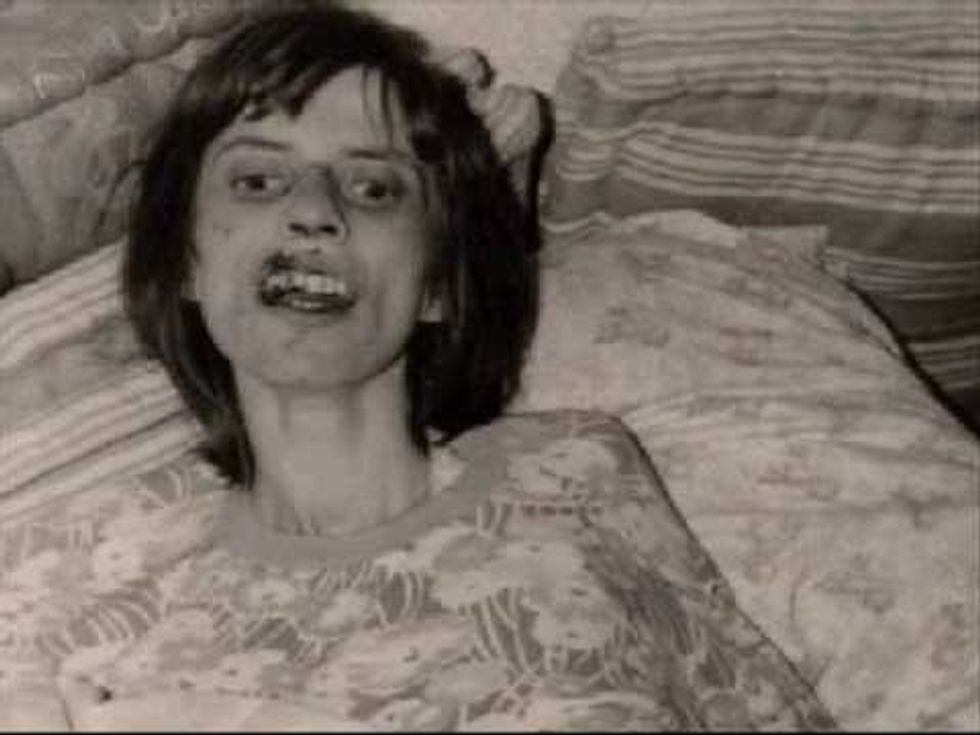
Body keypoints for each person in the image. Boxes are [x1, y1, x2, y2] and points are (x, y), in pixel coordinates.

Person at [0, 2, 836, 730]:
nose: (313, 212)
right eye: (257, 180)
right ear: (185, 263)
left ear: (437, 282)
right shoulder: (73, 572)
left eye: (374, 188)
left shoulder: (577, 467)